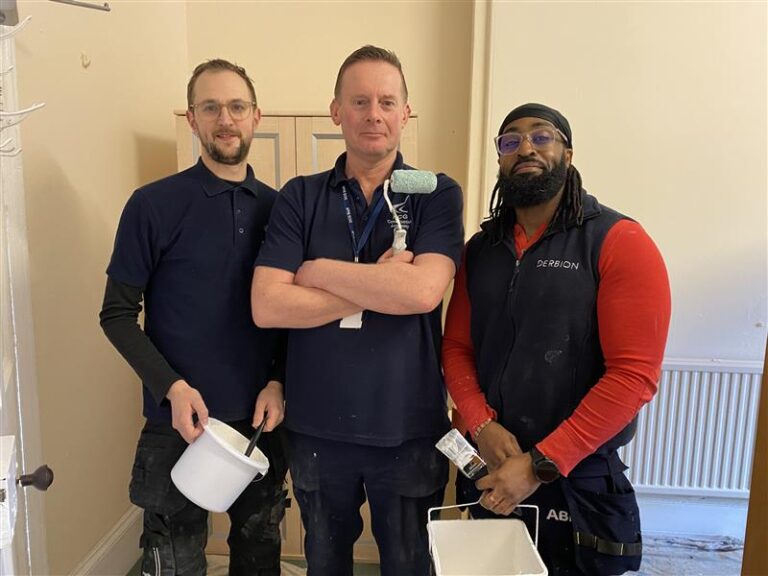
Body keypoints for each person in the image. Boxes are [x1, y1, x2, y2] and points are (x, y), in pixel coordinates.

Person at [251, 45, 464, 576]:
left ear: (405, 113)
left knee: (410, 565)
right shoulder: (298, 198)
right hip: (317, 429)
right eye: (361, 101)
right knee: (325, 564)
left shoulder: (435, 193)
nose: (375, 114)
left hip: (408, 428)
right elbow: (266, 304)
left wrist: (315, 270)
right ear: (336, 111)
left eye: (388, 102)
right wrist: (383, 282)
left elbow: (422, 294)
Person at [442, 103, 671, 575]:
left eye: (541, 136)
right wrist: (481, 426)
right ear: (501, 160)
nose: (525, 147)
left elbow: (633, 377)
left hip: (576, 476)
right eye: (511, 141)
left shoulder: (619, 241)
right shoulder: (480, 252)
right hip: (492, 467)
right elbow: (457, 348)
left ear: (568, 153)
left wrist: (541, 463)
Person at [100, 59, 287, 576]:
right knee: (173, 565)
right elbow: (116, 314)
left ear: (255, 116)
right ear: (192, 119)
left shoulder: (283, 210)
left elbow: (295, 316)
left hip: (258, 423)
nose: (224, 119)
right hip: (175, 423)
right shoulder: (153, 205)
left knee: (258, 559)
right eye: (210, 107)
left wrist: (278, 381)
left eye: (236, 106)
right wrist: (172, 388)